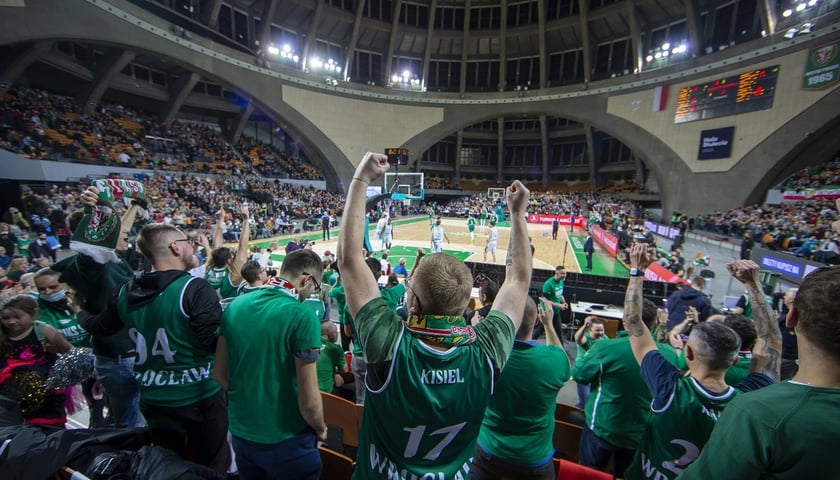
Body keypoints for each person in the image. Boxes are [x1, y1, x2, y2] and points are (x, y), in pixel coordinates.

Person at [337, 152, 533, 479]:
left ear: (413, 304)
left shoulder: (388, 342)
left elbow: (348, 259)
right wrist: (517, 213)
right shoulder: (486, 350)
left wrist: (361, 180)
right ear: (464, 305)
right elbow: (519, 279)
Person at [78, 223, 230, 474]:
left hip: (154, 400)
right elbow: (213, 344)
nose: (193, 247)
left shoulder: (125, 291)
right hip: (199, 398)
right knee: (212, 467)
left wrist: (79, 312)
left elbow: (100, 327)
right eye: (189, 242)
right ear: (176, 247)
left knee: (165, 468)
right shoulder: (194, 288)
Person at [621, 247, 781, 480]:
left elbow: (633, 321)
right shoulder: (746, 401)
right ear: (736, 360)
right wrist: (754, 287)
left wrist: (637, 271)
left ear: (688, 352)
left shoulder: (670, 388)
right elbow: (772, 344)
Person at [680, 265, 840, 480]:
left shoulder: (756, 412)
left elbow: (770, 344)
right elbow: (770, 344)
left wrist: (752, 286)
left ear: (791, 316)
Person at [214, 249, 327, 480]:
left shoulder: (236, 306)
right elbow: (308, 399)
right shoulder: (302, 316)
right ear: (306, 279)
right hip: (288, 438)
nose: (312, 292)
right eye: (315, 286)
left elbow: (219, 373)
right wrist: (321, 428)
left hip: (241, 434)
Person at [571, 293, 679, 475]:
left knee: (588, 474)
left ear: (625, 320)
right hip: (641, 436)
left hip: (602, 428)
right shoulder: (670, 354)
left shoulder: (606, 348)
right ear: (653, 323)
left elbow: (579, 375)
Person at [472, 297, 570, 479]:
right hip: (534, 461)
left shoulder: (485, 356)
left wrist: (480, 330)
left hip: (488, 452)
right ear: (538, 320)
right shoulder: (554, 361)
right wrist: (549, 325)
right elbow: (560, 355)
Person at [0, 295, 73, 426]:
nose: (11, 322)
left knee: (49, 423)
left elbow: (70, 350)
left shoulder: (43, 330)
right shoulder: (2, 334)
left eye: (17, 317)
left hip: (46, 388)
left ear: (33, 314)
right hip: (11, 390)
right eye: (6, 318)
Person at [206, 206, 250, 300]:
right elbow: (243, 246)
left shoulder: (209, 269)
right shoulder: (233, 276)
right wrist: (246, 219)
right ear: (229, 261)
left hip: (208, 306)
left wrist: (220, 219)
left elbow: (215, 245)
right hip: (226, 310)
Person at [573, 316, 606, 409]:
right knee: (586, 400)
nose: (600, 333)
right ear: (589, 331)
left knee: (594, 397)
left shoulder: (605, 338)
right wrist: (585, 326)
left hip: (596, 371)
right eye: (597, 330)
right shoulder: (586, 338)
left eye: (602, 330)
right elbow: (577, 338)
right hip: (584, 371)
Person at [316, 320, 347, 393]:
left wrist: (333, 373)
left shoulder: (309, 343)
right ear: (330, 334)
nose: (337, 333)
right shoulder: (335, 348)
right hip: (326, 393)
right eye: (336, 331)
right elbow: (344, 370)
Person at [539, 265, 569, 337]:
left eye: (565, 273)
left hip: (556, 311)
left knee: (559, 333)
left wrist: (564, 302)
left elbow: (560, 295)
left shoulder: (561, 281)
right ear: (556, 273)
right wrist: (560, 305)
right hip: (547, 312)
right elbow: (546, 301)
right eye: (562, 273)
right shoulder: (548, 284)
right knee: (539, 331)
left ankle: (561, 348)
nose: (564, 275)